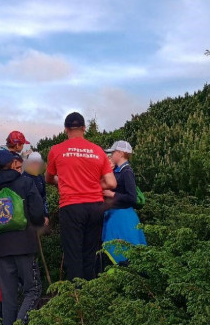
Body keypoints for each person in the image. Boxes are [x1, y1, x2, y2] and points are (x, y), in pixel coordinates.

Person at [45, 112, 116, 281]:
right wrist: (90, 185)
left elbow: (48, 178)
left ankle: (77, 298)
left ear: (65, 129)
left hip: (71, 206)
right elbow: (112, 183)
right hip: (95, 206)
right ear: (84, 128)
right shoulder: (98, 151)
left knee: (73, 254)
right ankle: (91, 295)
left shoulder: (56, 150)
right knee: (90, 254)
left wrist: (63, 181)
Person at [0, 149, 45, 325]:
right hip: (24, 244)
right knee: (33, 289)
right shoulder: (26, 182)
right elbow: (37, 214)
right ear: (13, 164)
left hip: (1, 247)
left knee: (8, 293)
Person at [102, 141, 147, 265]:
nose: (111, 155)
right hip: (115, 216)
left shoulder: (127, 172)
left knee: (125, 254)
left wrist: (113, 194)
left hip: (123, 218)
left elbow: (131, 197)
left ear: (121, 153)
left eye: (113, 152)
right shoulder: (118, 171)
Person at [22, 152, 49, 226]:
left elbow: (44, 197)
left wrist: (46, 215)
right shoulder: (22, 177)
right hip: (25, 218)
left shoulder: (40, 178)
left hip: (39, 217)